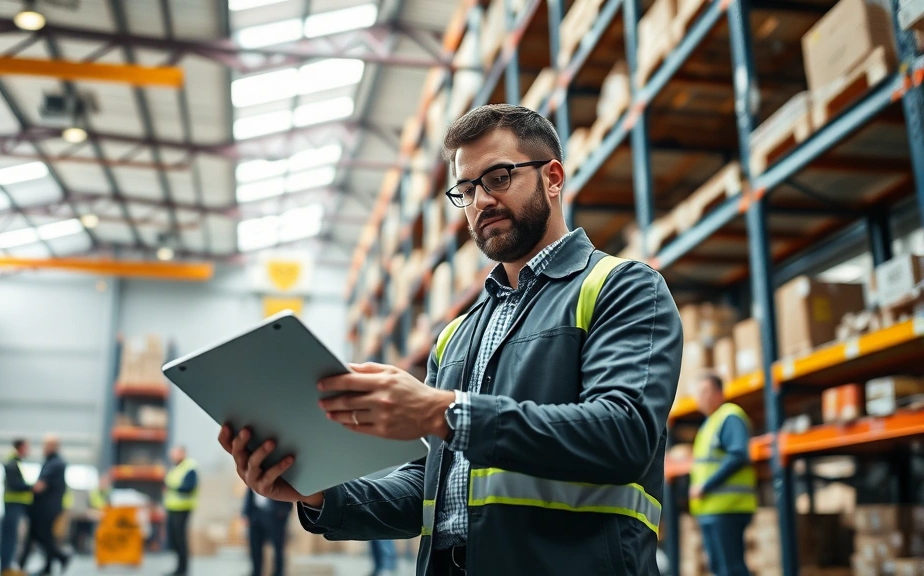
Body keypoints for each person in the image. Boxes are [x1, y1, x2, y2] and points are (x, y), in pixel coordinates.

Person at [218, 103, 684, 575]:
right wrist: (318, 494)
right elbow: (434, 490)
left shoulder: (623, 287)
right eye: (466, 189)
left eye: (498, 177)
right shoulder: (456, 336)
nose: (480, 201)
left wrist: (443, 411)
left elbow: (623, 434)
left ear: (554, 178)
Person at [689, 373, 756, 576]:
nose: (701, 397)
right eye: (698, 393)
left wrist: (706, 486)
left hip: (728, 508)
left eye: (705, 392)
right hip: (710, 509)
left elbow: (738, 455)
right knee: (719, 569)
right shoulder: (709, 424)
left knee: (731, 569)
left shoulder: (730, 416)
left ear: (719, 394)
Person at [19, 434, 70, 576]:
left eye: (47, 445)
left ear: (54, 446)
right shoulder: (52, 462)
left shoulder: (55, 464)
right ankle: (47, 567)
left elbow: (39, 486)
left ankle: (61, 557)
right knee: (39, 536)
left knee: (42, 536)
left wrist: (20, 487)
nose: (44, 448)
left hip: (46, 508)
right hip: (46, 508)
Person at [164, 446, 199, 576]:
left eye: (175, 453)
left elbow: (188, 487)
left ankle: (182, 569)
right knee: (174, 539)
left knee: (180, 539)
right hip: (172, 508)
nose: (172, 455)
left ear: (182, 453)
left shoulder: (190, 467)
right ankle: (178, 567)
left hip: (183, 508)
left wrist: (172, 488)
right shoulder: (175, 468)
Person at [0, 438, 32, 576]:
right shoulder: (13, 463)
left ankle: (7, 567)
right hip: (13, 504)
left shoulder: (17, 462)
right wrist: (32, 487)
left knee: (12, 537)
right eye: (26, 447)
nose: (28, 450)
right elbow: (15, 484)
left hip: (16, 504)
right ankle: (6, 569)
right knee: (10, 537)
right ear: (20, 447)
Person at [243, 488, 292, 576]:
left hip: (275, 516)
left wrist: (282, 512)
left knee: (278, 547)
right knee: (255, 547)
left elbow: (288, 498)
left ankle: (278, 573)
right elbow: (249, 495)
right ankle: (256, 572)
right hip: (255, 516)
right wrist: (246, 513)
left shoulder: (278, 476)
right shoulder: (252, 477)